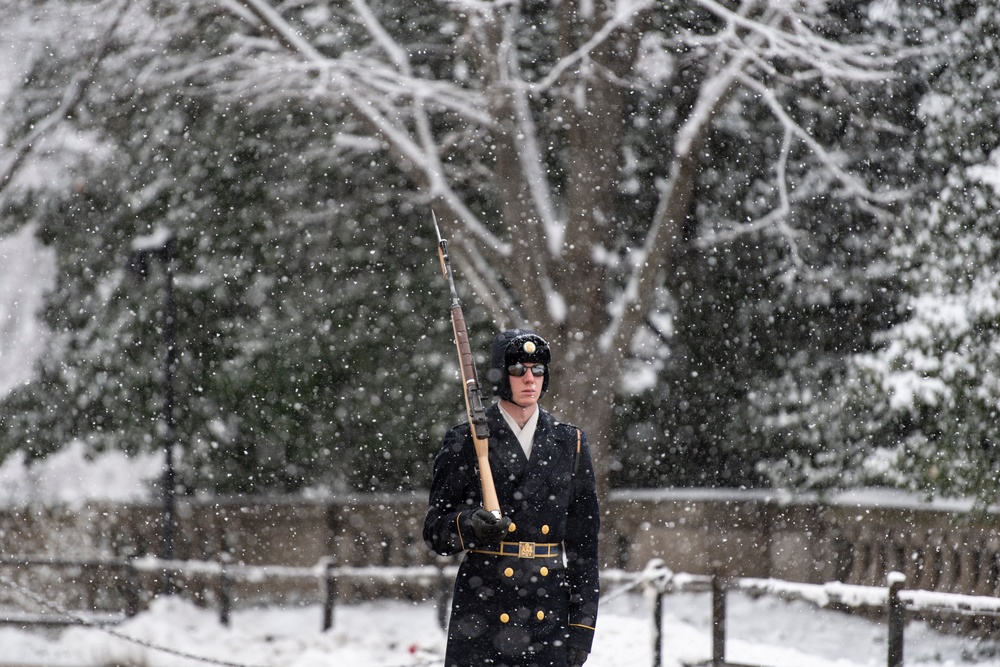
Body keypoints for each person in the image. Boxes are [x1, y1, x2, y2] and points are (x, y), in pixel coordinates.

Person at [424, 329, 600, 667]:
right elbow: (434, 531)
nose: (529, 378)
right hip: (483, 610)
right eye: (518, 369)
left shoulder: (571, 443)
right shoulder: (465, 439)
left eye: (537, 369)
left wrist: (581, 627)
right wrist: (468, 526)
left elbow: (584, 547)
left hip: (548, 611)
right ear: (500, 376)